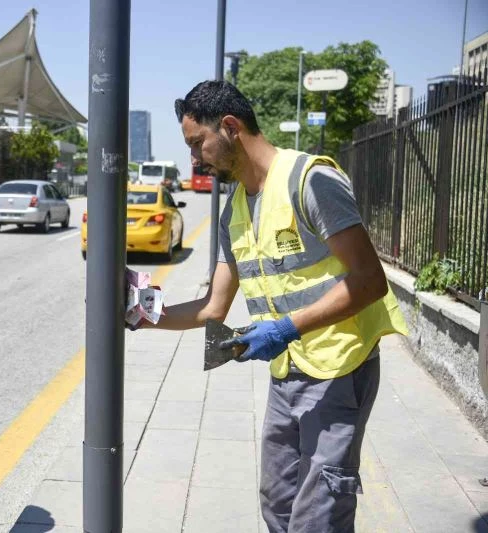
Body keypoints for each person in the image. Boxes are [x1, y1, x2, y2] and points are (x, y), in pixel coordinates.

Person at [142, 80, 408, 532]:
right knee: (278, 505)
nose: (193, 159)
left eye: (196, 143)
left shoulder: (311, 180)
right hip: (287, 377)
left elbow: (370, 280)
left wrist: (285, 328)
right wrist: (145, 315)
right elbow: (212, 309)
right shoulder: (235, 211)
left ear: (229, 127)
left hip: (340, 370)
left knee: (318, 516)